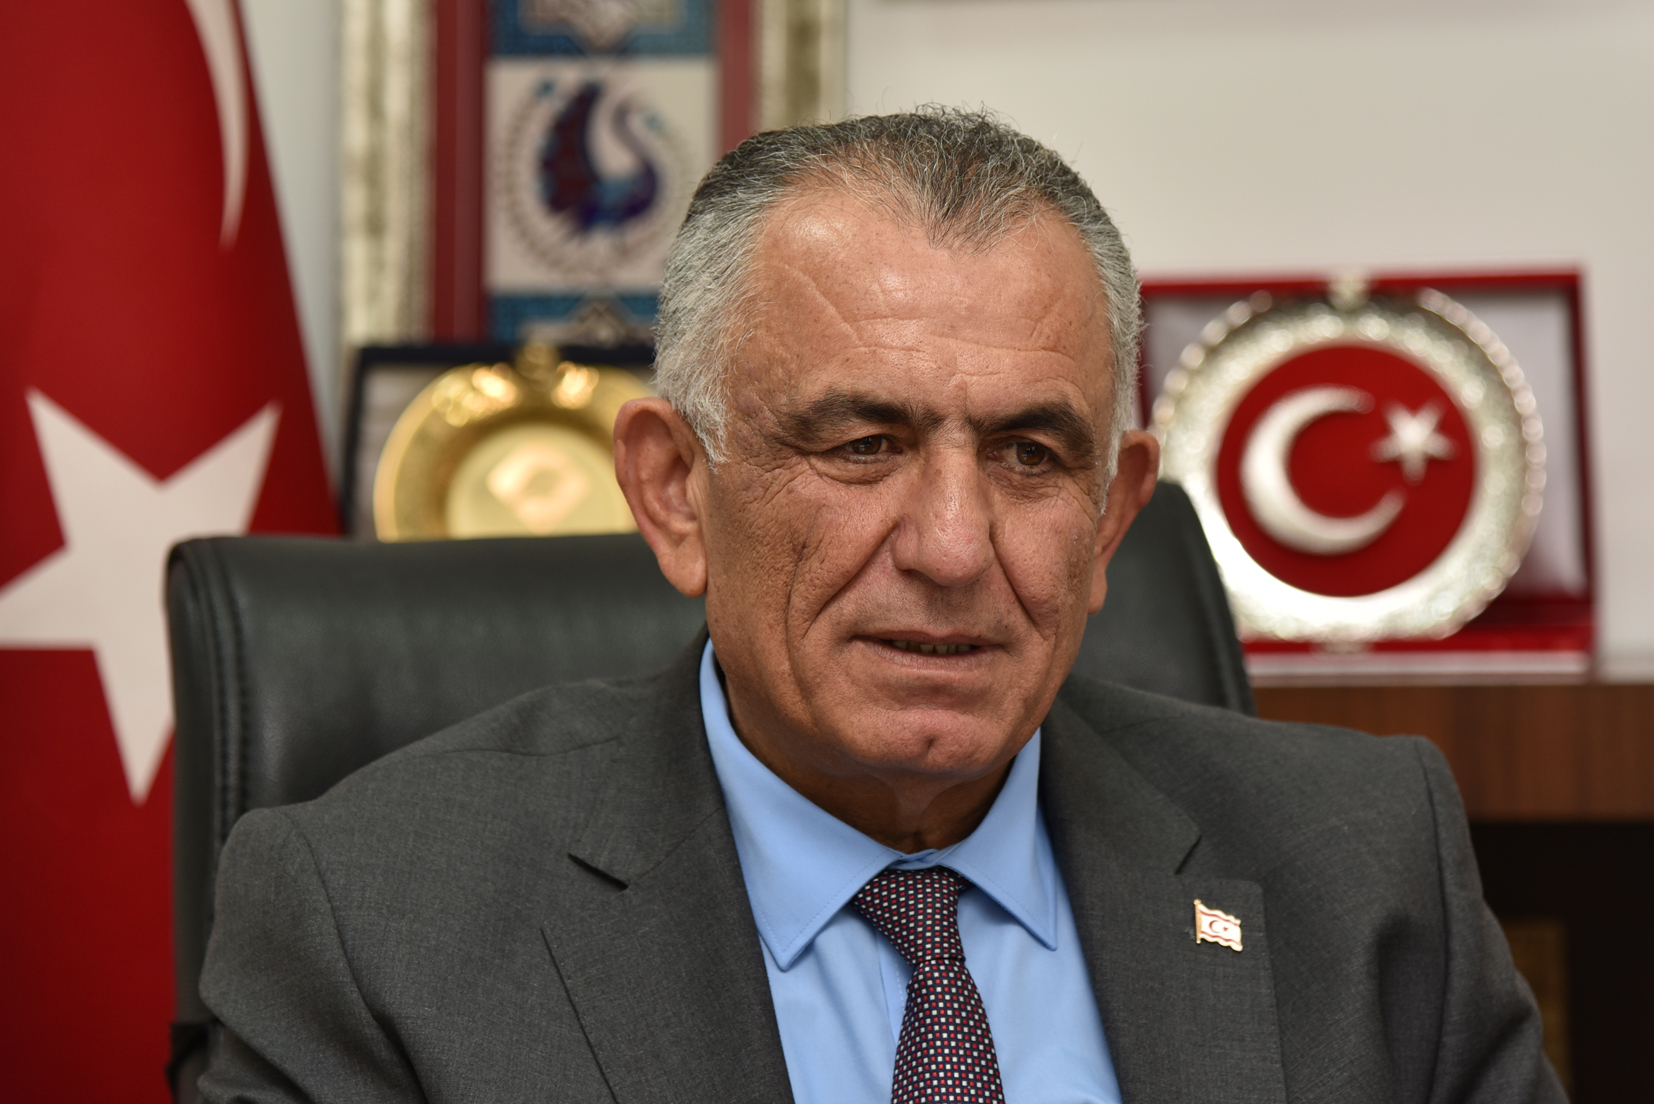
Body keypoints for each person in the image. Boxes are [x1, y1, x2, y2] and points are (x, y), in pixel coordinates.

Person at [198, 110, 1563, 1104]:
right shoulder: (376, 923)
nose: (953, 546)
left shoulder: (1364, 874)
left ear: (1111, 519)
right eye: (861, 446)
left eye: (1031, 455)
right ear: (673, 493)